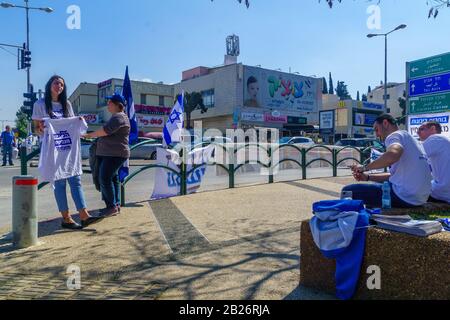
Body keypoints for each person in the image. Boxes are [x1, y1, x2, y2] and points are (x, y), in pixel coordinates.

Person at [32, 75, 103, 230]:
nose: (59, 86)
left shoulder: (67, 104)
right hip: (52, 149)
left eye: (62, 84)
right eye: (56, 83)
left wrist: (79, 121)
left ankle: (84, 215)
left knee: (75, 180)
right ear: (49, 84)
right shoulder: (40, 104)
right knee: (59, 182)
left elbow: (72, 125)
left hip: (69, 148)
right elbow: (36, 129)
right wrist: (42, 128)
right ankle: (66, 218)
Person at [342, 114, 432, 208]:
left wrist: (364, 167)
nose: (377, 135)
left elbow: (393, 154)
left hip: (403, 197)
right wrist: (367, 177)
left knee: (348, 191)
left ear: (385, 123)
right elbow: (395, 176)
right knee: (376, 189)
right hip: (419, 199)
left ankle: (348, 220)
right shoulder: (412, 140)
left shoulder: (395, 135)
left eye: (377, 129)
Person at [82, 94, 130, 217]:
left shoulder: (119, 117)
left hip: (114, 154)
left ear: (117, 104)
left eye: (109, 103)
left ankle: (111, 207)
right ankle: (115, 205)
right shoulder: (117, 117)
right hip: (113, 154)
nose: (107, 105)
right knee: (113, 178)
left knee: (104, 178)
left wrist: (88, 135)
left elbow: (104, 131)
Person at [417, 121, 450, 203]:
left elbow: (414, 158)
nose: (417, 132)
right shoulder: (443, 140)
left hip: (442, 192)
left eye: (421, 129)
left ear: (433, 129)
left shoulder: (435, 138)